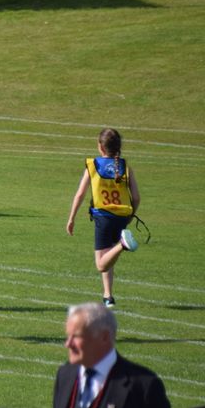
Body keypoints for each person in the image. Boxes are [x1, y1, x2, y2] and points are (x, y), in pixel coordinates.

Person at [49, 301, 178, 408]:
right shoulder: (65, 376)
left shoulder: (142, 385)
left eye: (77, 336)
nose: (68, 344)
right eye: (68, 336)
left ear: (104, 337)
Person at [65, 128, 141, 308]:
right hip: (122, 217)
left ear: (100, 147)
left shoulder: (94, 165)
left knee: (101, 264)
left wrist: (71, 218)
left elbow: (80, 194)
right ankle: (108, 295)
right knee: (108, 255)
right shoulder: (125, 167)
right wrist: (130, 215)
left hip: (104, 218)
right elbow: (136, 197)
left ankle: (122, 245)